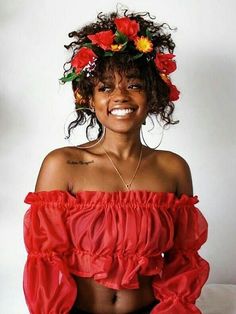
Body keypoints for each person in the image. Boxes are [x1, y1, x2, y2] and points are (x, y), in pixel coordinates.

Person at [23, 8, 210, 314]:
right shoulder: (62, 164)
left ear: (151, 94)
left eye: (134, 85)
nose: (120, 96)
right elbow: (45, 266)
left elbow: (182, 261)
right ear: (88, 97)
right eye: (106, 87)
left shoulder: (173, 169)